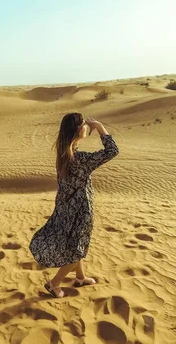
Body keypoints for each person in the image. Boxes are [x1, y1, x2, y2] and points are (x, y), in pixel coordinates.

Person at [29, 112, 119, 298]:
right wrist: (100, 127)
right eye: (84, 124)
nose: (87, 126)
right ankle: (54, 284)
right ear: (79, 130)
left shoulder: (64, 153)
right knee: (78, 248)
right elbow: (112, 151)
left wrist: (85, 127)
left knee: (75, 244)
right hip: (80, 210)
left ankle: (80, 277)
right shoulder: (80, 159)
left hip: (64, 206)